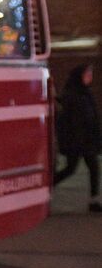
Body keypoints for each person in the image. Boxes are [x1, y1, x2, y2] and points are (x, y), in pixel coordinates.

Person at [54, 63, 102, 213]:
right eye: (87, 74)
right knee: (71, 169)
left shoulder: (85, 93)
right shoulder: (73, 95)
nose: (90, 77)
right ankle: (45, 186)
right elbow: (72, 120)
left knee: (91, 167)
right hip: (77, 140)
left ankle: (94, 200)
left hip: (86, 139)